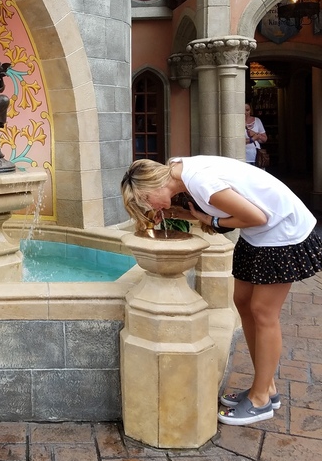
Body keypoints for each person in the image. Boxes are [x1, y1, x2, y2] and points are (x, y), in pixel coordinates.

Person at [121, 155, 322, 426]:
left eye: (145, 199)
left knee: (263, 313)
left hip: (281, 233)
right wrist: (183, 214)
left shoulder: (199, 182)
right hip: (259, 236)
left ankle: (261, 400)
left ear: (152, 186)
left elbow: (256, 216)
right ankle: (266, 387)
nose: (148, 206)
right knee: (242, 301)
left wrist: (211, 221)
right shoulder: (178, 170)